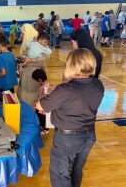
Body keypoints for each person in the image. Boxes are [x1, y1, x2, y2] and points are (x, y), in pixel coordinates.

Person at [36, 48, 104, 187]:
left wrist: (44, 91)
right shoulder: (98, 84)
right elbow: (78, 101)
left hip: (67, 140)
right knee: (76, 170)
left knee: (60, 174)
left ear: (71, 66)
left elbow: (40, 106)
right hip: (89, 135)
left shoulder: (65, 89)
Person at [18, 32, 51, 108]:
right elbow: (22, 55)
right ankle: (23, 108)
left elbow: (44, 58)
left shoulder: (45, 50)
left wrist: (31, 60)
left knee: (32, 92)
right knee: (23, 92)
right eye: (44, 41)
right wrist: (24, 58)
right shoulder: (31, 45)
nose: (45, 43)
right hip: (26, 72)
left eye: (46, 42)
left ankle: (31, 109)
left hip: (36, 74)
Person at [32, 68, 51, 135]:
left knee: (43, 118)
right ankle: (41, 127)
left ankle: (45, 129)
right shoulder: (43, 84)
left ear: (39, 79)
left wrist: (38, 103)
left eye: (35, 80)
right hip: (40, 105)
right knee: (39, 116)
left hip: (42, 106)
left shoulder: (45, 86)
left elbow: (44, 97)